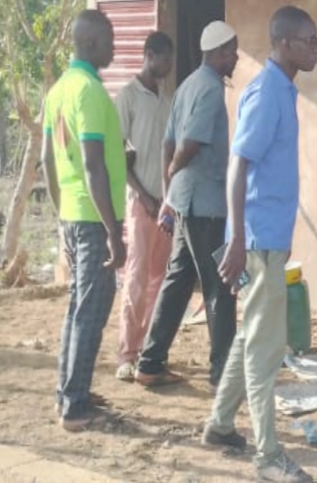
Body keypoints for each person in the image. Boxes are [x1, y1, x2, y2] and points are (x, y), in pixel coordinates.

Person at [208, 6, 317, 483]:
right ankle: (268, 455)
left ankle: (219, 424)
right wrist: (238, 239)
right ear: (285, 43)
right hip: (256, 242)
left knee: (251, 336)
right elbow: (238, 165)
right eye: (310, 41)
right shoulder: (267, 92)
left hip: (266, 239)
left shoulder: (282, 90)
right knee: (266, 350)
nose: (316, 49)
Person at [137, 22, 239, 388]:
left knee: (179, 280)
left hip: (185, 202)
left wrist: (169, 193)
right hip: (205, 204)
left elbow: (167, 143)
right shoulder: (210, 88)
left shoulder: (186, 86)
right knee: (220, 285)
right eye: (233, 52)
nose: (236, 58)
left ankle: (150, 362)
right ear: (220, 53)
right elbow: (187, 145)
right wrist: (174, 170)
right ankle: (223, 374)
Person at [41, 10, 128, 432]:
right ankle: (75, 407)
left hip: (74, 214)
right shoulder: (89, 92)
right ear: (92, 43)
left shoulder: (58, 90)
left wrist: (63, 214)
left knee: (79, 307)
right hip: (94, 219)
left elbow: (47, 161)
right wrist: (113, 231)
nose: (114, 48)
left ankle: (69, 392)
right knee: (90, 311)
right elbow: (94, 166)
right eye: (110, 41)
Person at [113, 32, 175, 383]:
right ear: (149, 55)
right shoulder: (129, 97)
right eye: (164, 59)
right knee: (136, 277)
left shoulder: (167, 101)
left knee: (159, 278)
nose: (168, 66)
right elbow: (118, 154)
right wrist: (144, 195)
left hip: (165, 206)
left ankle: (150, 352)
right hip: (141, 203)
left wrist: (166, 200)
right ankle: (127, 353)